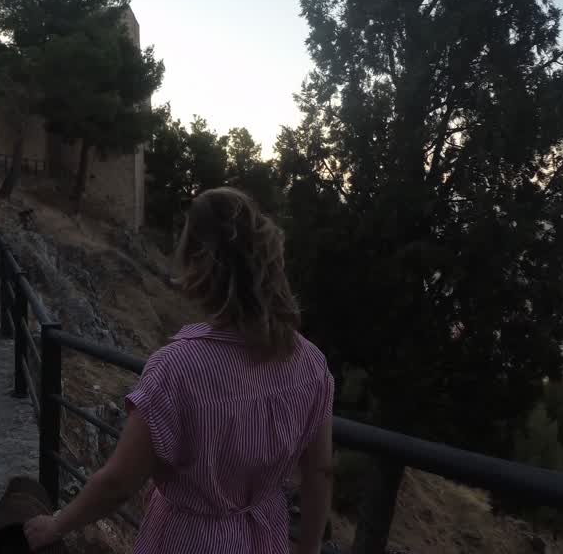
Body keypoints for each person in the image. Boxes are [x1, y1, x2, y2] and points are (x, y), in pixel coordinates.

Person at [24, 187, 335, 553]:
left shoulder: (177, 368)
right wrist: (310, 548)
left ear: (195, 261)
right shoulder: (310, 363)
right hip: (265, 537)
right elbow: (319, 473)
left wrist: (55, 525)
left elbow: (120, 483)